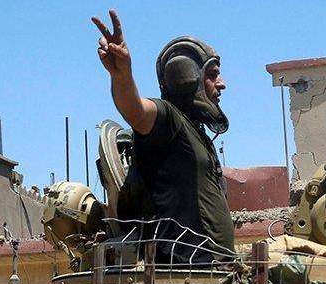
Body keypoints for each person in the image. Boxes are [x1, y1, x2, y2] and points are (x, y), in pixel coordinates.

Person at [92, 9, 235, 264]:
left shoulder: (197, 134)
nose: (222, 83)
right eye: (213, 74)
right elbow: (135, 110)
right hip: (185, 275)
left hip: (216, 273)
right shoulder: (169, 121)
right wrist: (122, 75)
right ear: (187, 77)